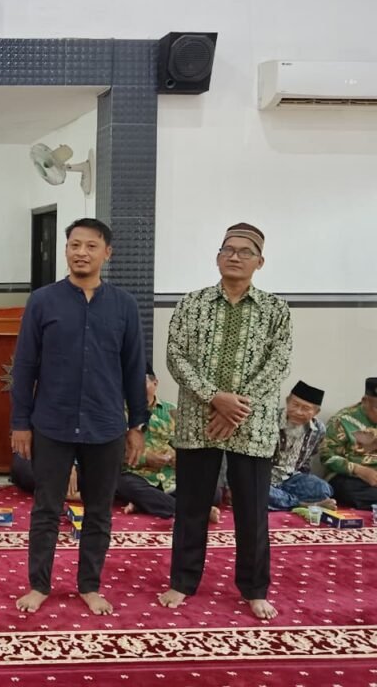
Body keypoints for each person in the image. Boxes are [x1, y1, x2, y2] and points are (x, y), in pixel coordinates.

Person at [10, 217, 147, 617]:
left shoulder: (124, 305)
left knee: (99, 510)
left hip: (105, 425)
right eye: (74, 245)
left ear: (107, 253)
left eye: (91, 246)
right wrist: (20, 422)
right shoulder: (43, 301)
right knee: (46, 508)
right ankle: (39, 584)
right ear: (66, 249)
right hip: (51, 422)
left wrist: (137, 425)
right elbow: (25, 366)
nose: (81, 253)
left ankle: (89, 585)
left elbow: (134, 367)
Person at [160, 223, 291, 621]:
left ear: (260, 262)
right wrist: (215, 398)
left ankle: (254, 589)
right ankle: (183, 581)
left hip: (252, 426)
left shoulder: (276, 310)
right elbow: (175, 356)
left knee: (252, 512)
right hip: (198, 422)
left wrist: (236, 408)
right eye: (228, 249)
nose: (235, 256)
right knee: (192, 508)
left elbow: (278, 363)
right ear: (217, 257)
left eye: (245, 252)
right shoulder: (192, 303)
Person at [116, 365, 221, 523]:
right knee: (122, 484)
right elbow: (115, 453)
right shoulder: (119, 413)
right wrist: (146, 458)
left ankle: (147, 503)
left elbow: (187, 444)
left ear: (155, 383)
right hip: (138, 476)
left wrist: (179, 457)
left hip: (170, 476)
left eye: (141, 383)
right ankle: (190, 512)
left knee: (214, 492)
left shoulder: (172, 411)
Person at [269, 381, 334, 510]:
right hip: (264, 477)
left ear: (316, 412)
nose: (298, 412)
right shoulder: (270, 420)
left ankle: (282, 500)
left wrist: (305, 482)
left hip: (292, 479)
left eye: (305, 408)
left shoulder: (318, 429)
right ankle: (302, 504)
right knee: (251, 489)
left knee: (323, 489)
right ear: (287, 401)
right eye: (295, 405)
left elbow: (308, 460)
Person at [321, 377, 377, 508]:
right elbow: (327, 456)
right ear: (365, 401)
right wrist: (358, 470)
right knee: (346, 490)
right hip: (351, 477)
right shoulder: (342, 420)